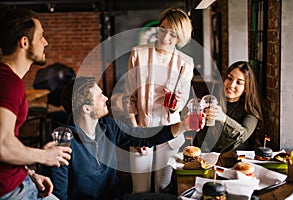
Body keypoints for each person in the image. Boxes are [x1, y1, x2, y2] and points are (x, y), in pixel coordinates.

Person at [47, 76, 200, 200]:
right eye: (100, 96)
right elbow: (58, 196)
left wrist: (184, 126)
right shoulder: (63, 144)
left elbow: (144, 137)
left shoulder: (108, 126)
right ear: (86, 108)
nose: (106, 98)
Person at [0, 6, 72, 200]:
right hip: (11, 191)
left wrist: (29, 173)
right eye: (41, 36)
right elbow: (3, 146)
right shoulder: (8, 83)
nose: (45, 42)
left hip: (19, 180)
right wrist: (45, 156)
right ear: (24, 42)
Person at [123, 7, 194, 193]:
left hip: (170, 132)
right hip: (141, 129)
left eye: (173, 34)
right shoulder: (139, 54)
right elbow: (128, 97)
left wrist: (175, 104)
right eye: (163, 30)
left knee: (163, 186)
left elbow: (181, 103)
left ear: (180, 38)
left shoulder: (185, 63)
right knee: (139, 189)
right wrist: (134, 130)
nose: (165, 38)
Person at [193, 61, 263, 152]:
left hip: (237, 162)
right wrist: (197, 113)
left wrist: (223, 118)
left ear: (246, 88)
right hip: (206, 159)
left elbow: (242, 135)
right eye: (229, 78)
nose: (231, 85)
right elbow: (200, 139)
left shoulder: (250, 111)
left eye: (239, 82)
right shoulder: (212, 103)